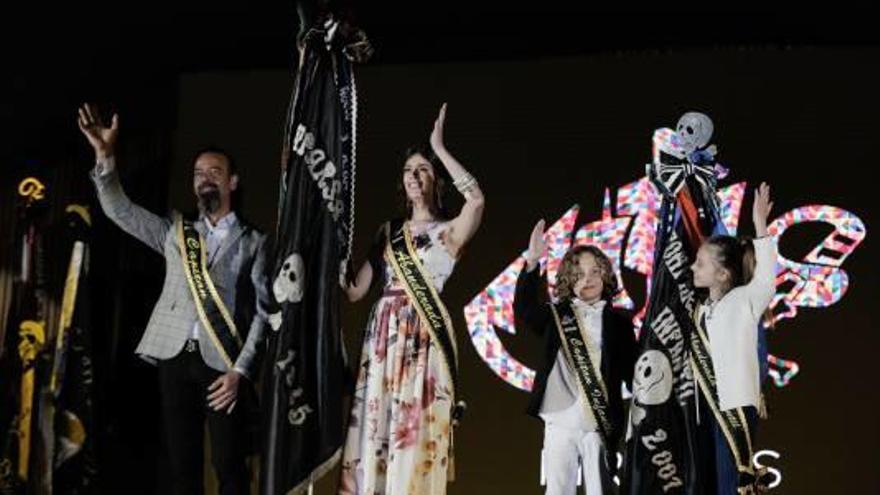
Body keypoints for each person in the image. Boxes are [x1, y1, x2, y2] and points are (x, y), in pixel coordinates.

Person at [77, 103, 270, 495]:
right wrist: (105, 157)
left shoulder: (255, 242)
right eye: (198, 173)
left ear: (233, 181)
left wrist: (241, 372)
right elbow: (121, 211)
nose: (204, 180)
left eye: (214, 173)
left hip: (223, 363)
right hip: (173, 359)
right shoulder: (174, 232)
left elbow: (265, 313)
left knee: (229, 468)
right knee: (181, 469)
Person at [337, 103, 484, 495]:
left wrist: (440, 148)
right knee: (376, 430)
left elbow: (477, 202)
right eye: (408, 170)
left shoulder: (449, 231)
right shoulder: (388, 232)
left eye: (423, 169)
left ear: (436, 180)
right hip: (384, 338)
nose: (413, 177)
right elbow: (355, 291)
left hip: (423, 336)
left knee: (415, 434)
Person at [515, 220, 637, 495]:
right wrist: (532, 262)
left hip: (600, 422)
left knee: (601, 490)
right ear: (568, 280)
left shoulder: (620, 324)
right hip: (560, 418)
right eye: (579, 274)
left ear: (606, 275)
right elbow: (525, 309)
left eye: (595, 271)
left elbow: (633, 374)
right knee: (558, 490)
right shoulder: (556, 316)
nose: (588, 279)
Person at [689, 182, 777, 494]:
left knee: (731, 483)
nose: (692, 267)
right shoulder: (701, 311)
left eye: (700, 263)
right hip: (705, 408)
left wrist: (760, 228)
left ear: (724, 274)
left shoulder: (743, 301)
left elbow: (766, 279)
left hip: (736, 406)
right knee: (707, 482)